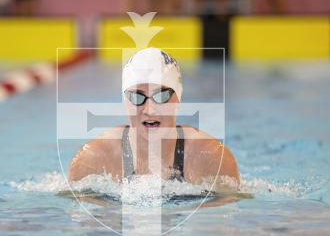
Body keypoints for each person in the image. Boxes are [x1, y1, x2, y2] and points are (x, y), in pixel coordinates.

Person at [68, 47, 240, 192]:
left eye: (161, 96)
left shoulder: (212, 159)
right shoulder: (93, 160)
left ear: (178, 98)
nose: (150, 109)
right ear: (124, 102)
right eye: (137, 97)